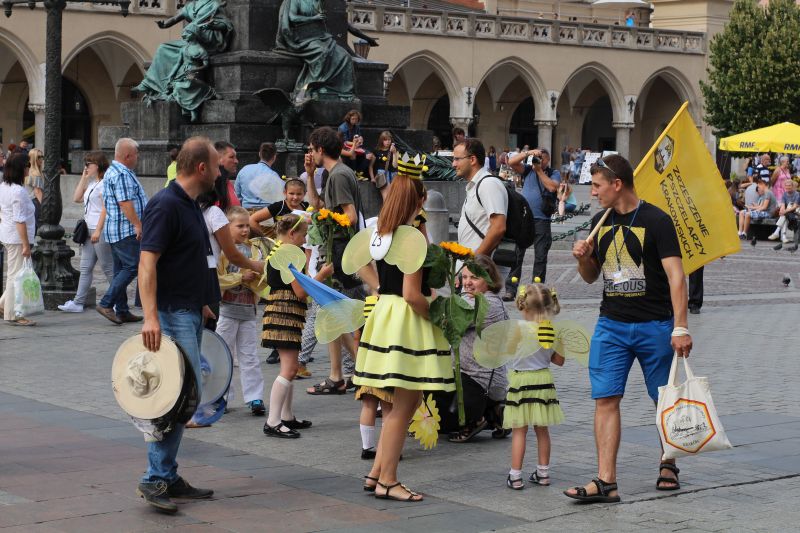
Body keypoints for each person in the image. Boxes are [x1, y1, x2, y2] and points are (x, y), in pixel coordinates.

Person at [567, 154, 692, 503]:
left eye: (596, 185)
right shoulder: (599, 222)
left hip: (655, 325)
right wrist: (583, 259)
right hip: (612, 325)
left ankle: (669, 461)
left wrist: (680, 326)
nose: (592, 192)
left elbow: (676, 276)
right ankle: (606, 481)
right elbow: (592, 278)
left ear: (617, 184)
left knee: (662, 400)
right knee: (605, 398)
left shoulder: (657, 220)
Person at [357, 161, 453, 502]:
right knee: (404, 405)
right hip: (406, 319)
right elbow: (414, 295)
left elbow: (371, 272)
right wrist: (441, 316)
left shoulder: (383, 232)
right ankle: (389, 480)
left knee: (393, 405)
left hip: (385, 314)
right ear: (420, 198)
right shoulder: (412, 237)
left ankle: (376, 473)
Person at [137, 136, 219, 513]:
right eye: (217, 165)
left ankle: (166, 476)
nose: (221, 171)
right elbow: (147, 263)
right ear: (201, 168)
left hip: (187, 309)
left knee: (184, 396)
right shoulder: (166, 204)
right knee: (176, 397)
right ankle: (155, 478)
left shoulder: (188, 205)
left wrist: (201, 300)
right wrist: (151, 316)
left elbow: (188, 259)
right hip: (170, 313)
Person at [304, 126, 377, 395]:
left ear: (321, 149)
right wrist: (310, 176)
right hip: (337, 251)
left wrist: (329, 221)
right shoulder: (330, 174)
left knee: (346, 315)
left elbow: (351, 216)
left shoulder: (340, 175)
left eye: (312, 149)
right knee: (333, 312)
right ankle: (340, 374)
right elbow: (316, 206)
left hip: (343, 254)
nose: (310, 154)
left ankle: (361, 372)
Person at [262, 215, 334, 438]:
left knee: (290, 367)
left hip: (283, 312)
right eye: (303, 235)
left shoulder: (277, 250)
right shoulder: (289, 254)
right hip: (285, 313)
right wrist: (321, 275)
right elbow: (300, 292)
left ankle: (286, 416)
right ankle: (273, 421)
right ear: (292, 234)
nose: (305, 240)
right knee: (290, 369)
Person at [430, 255, 510, 442]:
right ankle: (493, 414)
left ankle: (477, 419)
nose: (467, 283)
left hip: (480, 381)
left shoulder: (487, 303)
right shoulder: (473, 299)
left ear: (489, 279)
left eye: (474, 278)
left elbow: (447, 320)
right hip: (468, 377)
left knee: (444, 417)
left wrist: (430, 294)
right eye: (464, 277)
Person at [505, 282, 565, 490]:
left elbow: (509, 351)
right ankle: (543, 473)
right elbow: (559, 361)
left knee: (519, 431)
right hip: (543, 381)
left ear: (524, 307)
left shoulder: (518, 329)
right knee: (542, 430)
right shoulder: (552, 331)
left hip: (521, 381)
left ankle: (515, 476)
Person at [216, 206, 269, 416]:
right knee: (224, 354)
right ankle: (222, 396)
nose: (245, 230)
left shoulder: (254, 250)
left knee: (250, 355)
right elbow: (217, 279)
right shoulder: (222, 251)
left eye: (247, 225)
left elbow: (262, 281)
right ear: (228, 227)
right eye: (240, 226)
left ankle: (254, 397)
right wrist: (239, 277)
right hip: (226, 311)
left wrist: (256, 276)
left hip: (248, 310)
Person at [97, 138, 147, 325]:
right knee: (132, 266)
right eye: (136, 154)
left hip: (116, 230)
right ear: (127, 155)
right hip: (125, 230)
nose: (137, 157)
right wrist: (138, 224)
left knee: (120, 269)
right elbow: (125, 202)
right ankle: (106, 303)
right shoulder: (122, 174)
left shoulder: (116, 171)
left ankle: (123, 310)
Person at [58, 152, 114, 313]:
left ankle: (118, 301)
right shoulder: (92, 184)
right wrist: (84, 177)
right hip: (89, 230)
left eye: (89, 164)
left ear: (99, 166)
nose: (86, 167)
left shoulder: (104, 184)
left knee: (108, 267)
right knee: (85, 267)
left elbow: (106, 208)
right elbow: (76, 198)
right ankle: (78, 302)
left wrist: (98, 230)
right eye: (86, 164)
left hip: (99, 229)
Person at [504, 147, 560, 300]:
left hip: (542, 220)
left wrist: (540, 170)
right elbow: (511, 162)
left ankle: (537, 290)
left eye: (542, 158)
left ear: (547, 160)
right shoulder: (528, 170)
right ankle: (510, 289)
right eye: (538, 158)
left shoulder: (553, 173)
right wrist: (529, 153)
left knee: (540, 257)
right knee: (517, 255)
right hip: (525, 219)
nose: (539, 161)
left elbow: (552, 187)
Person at [454, 138, 507, 258]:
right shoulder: (476, 185)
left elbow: (498, 227)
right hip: (473, 268)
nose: (454, 164)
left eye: (457, 159)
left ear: (472, 160)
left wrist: (474, 260)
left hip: (481, 267)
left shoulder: (488, 184)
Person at [0, 153, 36, 326]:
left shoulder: (3, 187)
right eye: (27, 165)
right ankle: (13, 313)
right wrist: (26, 244)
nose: (29, 167)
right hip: (16, 237)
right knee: (15, 276)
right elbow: (19, 220)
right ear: (20, 168)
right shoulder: (18, 191)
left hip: (8, 234)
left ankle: (3, 305)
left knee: (14, 273)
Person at [235, 142, 283, 212]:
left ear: (259, 154)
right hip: (265, 214)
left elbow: (237, 195)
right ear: (274, 157)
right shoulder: (274, 175)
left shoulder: (244, 169)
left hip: (246, 214)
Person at [737, 179, 776, 244]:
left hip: (768, 213)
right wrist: (751, 208)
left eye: (759, 186)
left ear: (763, 185)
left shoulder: (768, 193)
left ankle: (744, 233)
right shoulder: (765, 194)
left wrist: (754, 210)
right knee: (742, 212)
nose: (758, 188)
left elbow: (764, 207)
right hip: (764, 211)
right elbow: (761, 206)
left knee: (748, 214)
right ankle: (740, 232)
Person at [772, 179, 800, 251]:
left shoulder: (797, 194)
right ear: (784, 187)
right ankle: (783, 236)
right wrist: (782, 210)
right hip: (788, 213)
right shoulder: (784, 194)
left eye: (789, 186)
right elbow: (783, 205)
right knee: (784, 215)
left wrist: (784, 211)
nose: (788, 188)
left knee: (789, 206)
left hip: (796, 212)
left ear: (792, 186)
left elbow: (795, 206)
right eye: (786, 187)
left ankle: (777, 232)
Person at [370, 131, 398, 200]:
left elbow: (395, 165)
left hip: (393, 174)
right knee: (386, 198)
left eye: (389, 140)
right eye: (385, 140)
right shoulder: (376, 151)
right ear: (381, 140)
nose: (387, 142)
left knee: (393, 198)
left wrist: (394, 153)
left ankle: (390, 211)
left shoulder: (394, 150)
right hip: (382, 174)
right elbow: (371, 166)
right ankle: (386, 211)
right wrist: (372, 177)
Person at [213, 141, 241, 210]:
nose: (236, 161)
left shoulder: (227, 183)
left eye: (236, 157)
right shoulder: (214, 186)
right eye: (231, 157)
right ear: (218, 159)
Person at [26, 148, 44, 228]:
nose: (41, 159)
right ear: (33, 158)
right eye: (39, 157)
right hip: (35, 202)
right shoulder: (35, 173)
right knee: (35, 228)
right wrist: (45, 206)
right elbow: (37, 192)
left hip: (29, 202)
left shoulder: (29, 171)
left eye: (42, 156)